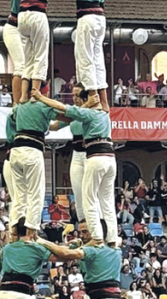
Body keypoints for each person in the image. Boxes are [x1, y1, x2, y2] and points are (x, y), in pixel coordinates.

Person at [32, 86, 115, 246]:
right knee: (79, 195)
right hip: (78, 154)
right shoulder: (80, 111)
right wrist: (38, 121)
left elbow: (71, 110)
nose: (74, 98)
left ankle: (100, 233)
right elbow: (56, 125)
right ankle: (86, 229)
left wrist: (42, 98)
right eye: (73, 95)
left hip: (91, 153)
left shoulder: (92, 112)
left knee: (93, 197)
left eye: (77, 95)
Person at [57, 0, 118, 111]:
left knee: (84, 58)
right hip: (100, 18)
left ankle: (93, 98)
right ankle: (103, 101)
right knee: (98, 59)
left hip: (87, 17)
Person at [14, 0, 74, 104]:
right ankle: (34, 93)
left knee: (28, 58)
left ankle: (23, 95)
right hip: (37, 13)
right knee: (41, 56)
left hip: (22, 16)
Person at [6, 96, 60, 236]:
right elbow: (60, 117)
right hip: (31, 150)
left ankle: (14, 231)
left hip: (14, 154)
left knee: (19, 198)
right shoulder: (37, 108)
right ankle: (31, 232)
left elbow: (53, 126)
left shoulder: (18, 110)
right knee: (36, 195)